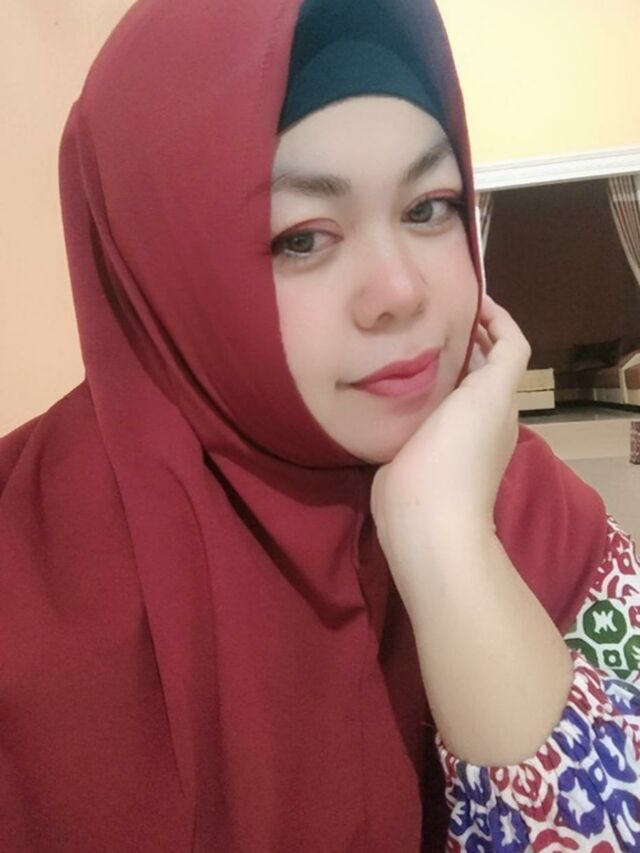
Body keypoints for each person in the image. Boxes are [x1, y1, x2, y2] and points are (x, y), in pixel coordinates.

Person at [1, 0, 638, 850]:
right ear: (164, 260)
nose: (400, 291)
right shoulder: (25, 575)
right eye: (303, 237)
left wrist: (448, 541)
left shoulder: (532, 508)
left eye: (430, 207)